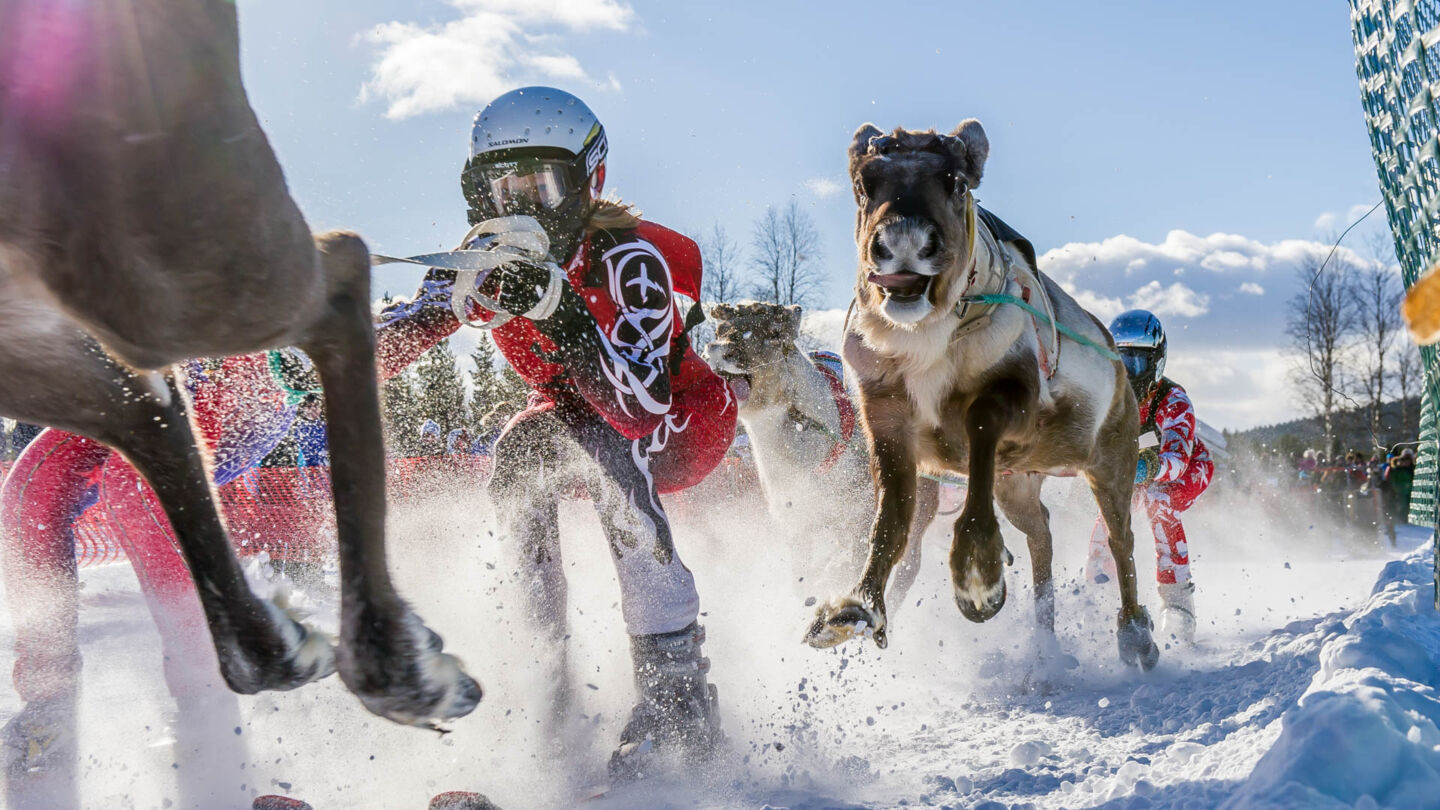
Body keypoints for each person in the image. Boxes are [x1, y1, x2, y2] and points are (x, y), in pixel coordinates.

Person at [375, 87, 737, 778]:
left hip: (681, 417)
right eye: (500, 188)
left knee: (602, 446)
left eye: (539, 186)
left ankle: (676, 693)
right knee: (518, 450)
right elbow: (404, 331)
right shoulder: (487, 259)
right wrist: (310, 370)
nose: (520, 207)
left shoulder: (629, 261)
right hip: (581, 413)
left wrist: (557, 309)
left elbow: (638, 406)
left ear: (584, 182)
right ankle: (545, 678)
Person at [1086, 310, 1214, 645]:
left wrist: (1141, 468)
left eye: (1137, 364)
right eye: (1121, 362)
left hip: (1187, 470)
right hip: (1138, 475)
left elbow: (1177, 458)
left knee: (1160, 503)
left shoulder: (1172, 400)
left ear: (1156, 362)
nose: (1128, 374)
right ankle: (1097, 594)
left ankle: (1178, 604)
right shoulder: (1109, 402)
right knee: (1111, 510)